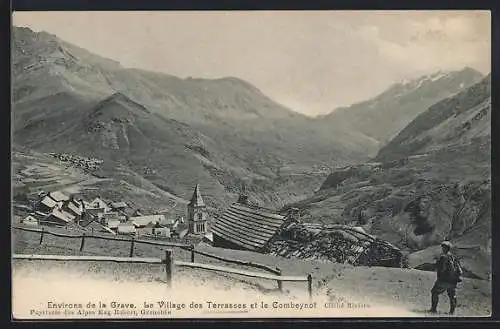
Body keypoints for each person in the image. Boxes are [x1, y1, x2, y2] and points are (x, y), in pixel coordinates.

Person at [429, 241, 462, 315]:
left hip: (444, 280)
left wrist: (439, 274)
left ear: (445, 248)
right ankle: (452, 312)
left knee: (434, 292)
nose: (442, 248)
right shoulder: (454, 257)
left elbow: (442, 269)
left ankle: (433, 309)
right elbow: (459, 269)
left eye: (443, 247)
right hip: (453, 280)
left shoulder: (443, 257)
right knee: (452, 295)